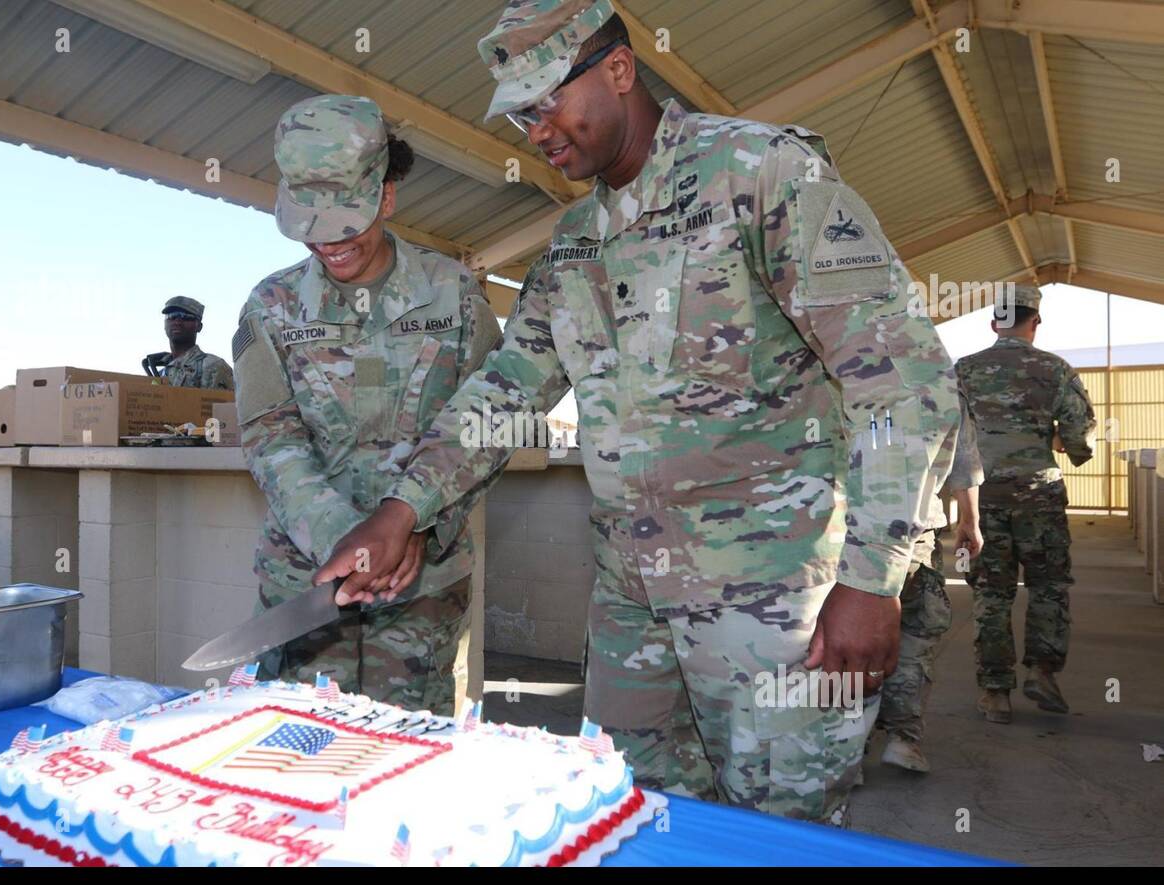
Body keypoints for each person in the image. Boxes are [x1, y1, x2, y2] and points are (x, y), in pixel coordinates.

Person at [313, 1, 960, 826]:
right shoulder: (575, 241)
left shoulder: (760, 173)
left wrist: (875, 578)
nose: (535, 132)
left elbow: (901, 380)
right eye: (519, 114)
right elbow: (510, 387)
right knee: (635, 820)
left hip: (772, 605)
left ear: (618, 69)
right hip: (631, 603)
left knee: (781, 833)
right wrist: (402, 509)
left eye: (546, 101)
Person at [231, 95, 502, 715]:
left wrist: (418, 522)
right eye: (310, 223)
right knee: (294, 766)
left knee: (409, 768)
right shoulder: (269, 308)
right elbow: (272, 439)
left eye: (346, 220)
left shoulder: (453, 295)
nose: (329, 242)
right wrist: (345, 538)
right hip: (307, 590)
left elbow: (489, 423)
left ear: (385, 197)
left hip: (422, 592)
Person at [955, 284, 1095, 723]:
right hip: (1040, 498)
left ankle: (995, 694)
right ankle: (1042, 672)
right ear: (1034, 322)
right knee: (1048, 587)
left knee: (991, 594)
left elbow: (948, 441)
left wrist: (962, 513)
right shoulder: (1056, 370)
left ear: (994, 322)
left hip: (984, 496)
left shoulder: (964, 371)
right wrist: (1051, 438)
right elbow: (1080, 440)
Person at [877, 389, 983, 772]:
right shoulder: (939, 379)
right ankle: (903, 739)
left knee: (842, 637)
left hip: (840, 532)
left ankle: (846, 749)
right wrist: (969, 522)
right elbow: (964, 467)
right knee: (915, 632)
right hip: (913, 532)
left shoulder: (830, 358)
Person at [144, 296, 235, 389]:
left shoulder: (215, 366)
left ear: (199, 326)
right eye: (171, 316)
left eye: (186, 317)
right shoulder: (158, 375)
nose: (177, 322)